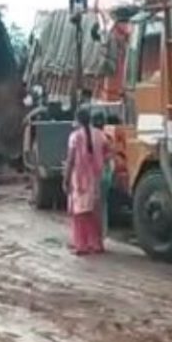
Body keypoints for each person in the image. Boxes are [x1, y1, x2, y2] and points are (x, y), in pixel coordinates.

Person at [64, 108, 108, 256]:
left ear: (77, 120)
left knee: (80, 213)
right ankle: (96, 244)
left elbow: (70, 160)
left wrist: (65, 178)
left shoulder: (75, 136)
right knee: (94, 213)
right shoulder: (101, 135)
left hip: (80, 180)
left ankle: (81, 245)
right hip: (96, 179)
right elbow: (108, 154)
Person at [92, 110, 115, 237]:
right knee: (102, 205)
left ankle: (93, 236)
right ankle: (102, 234)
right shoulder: (107, 137)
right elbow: (110, 159)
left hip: (93, 176)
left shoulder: (89, 136)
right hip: (105, 175)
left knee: (92, 207)